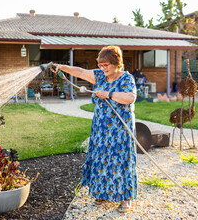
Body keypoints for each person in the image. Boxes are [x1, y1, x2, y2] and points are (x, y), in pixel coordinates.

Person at [51, 46, 137, 213]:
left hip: (120, 130)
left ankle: (125, 198)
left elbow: (130, 97)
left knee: (121, 162)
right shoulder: (99, 76)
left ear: (116, 64)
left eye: (106, 65)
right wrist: (62, 67)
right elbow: (81, 72)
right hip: (101, 129)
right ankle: (103, 192)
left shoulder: (126, 78)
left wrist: (109, 94)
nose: (102, 68)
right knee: (102, 160)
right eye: (100, 65)